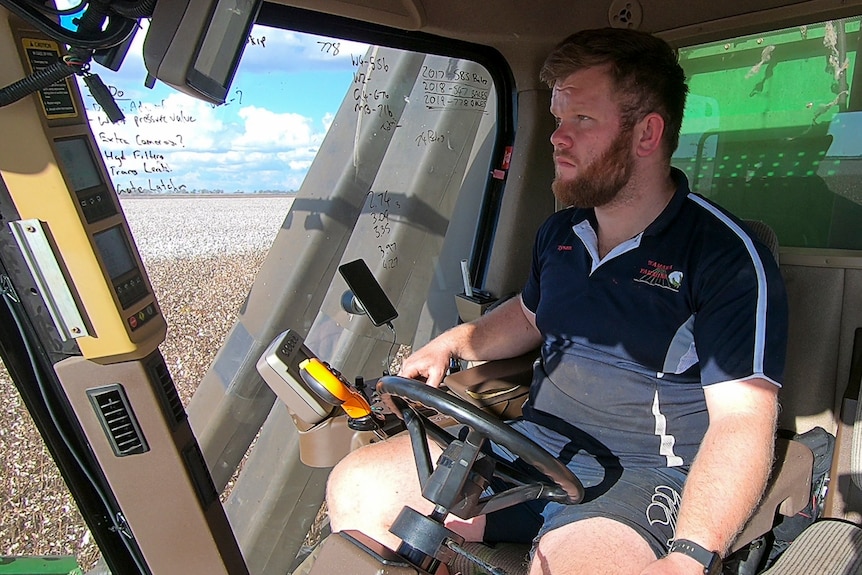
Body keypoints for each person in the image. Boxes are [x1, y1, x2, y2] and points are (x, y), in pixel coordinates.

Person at [326, 27, 788, 575]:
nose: (557, 138)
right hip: (530, 446)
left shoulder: (727, 257)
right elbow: (529, 314)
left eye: (582, 120)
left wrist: (690, 556)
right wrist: (451, 343)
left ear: (647, 134)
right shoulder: (561, 233)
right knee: (357, 486)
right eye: (557, 121)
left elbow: (743, 421)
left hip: (641, 476)